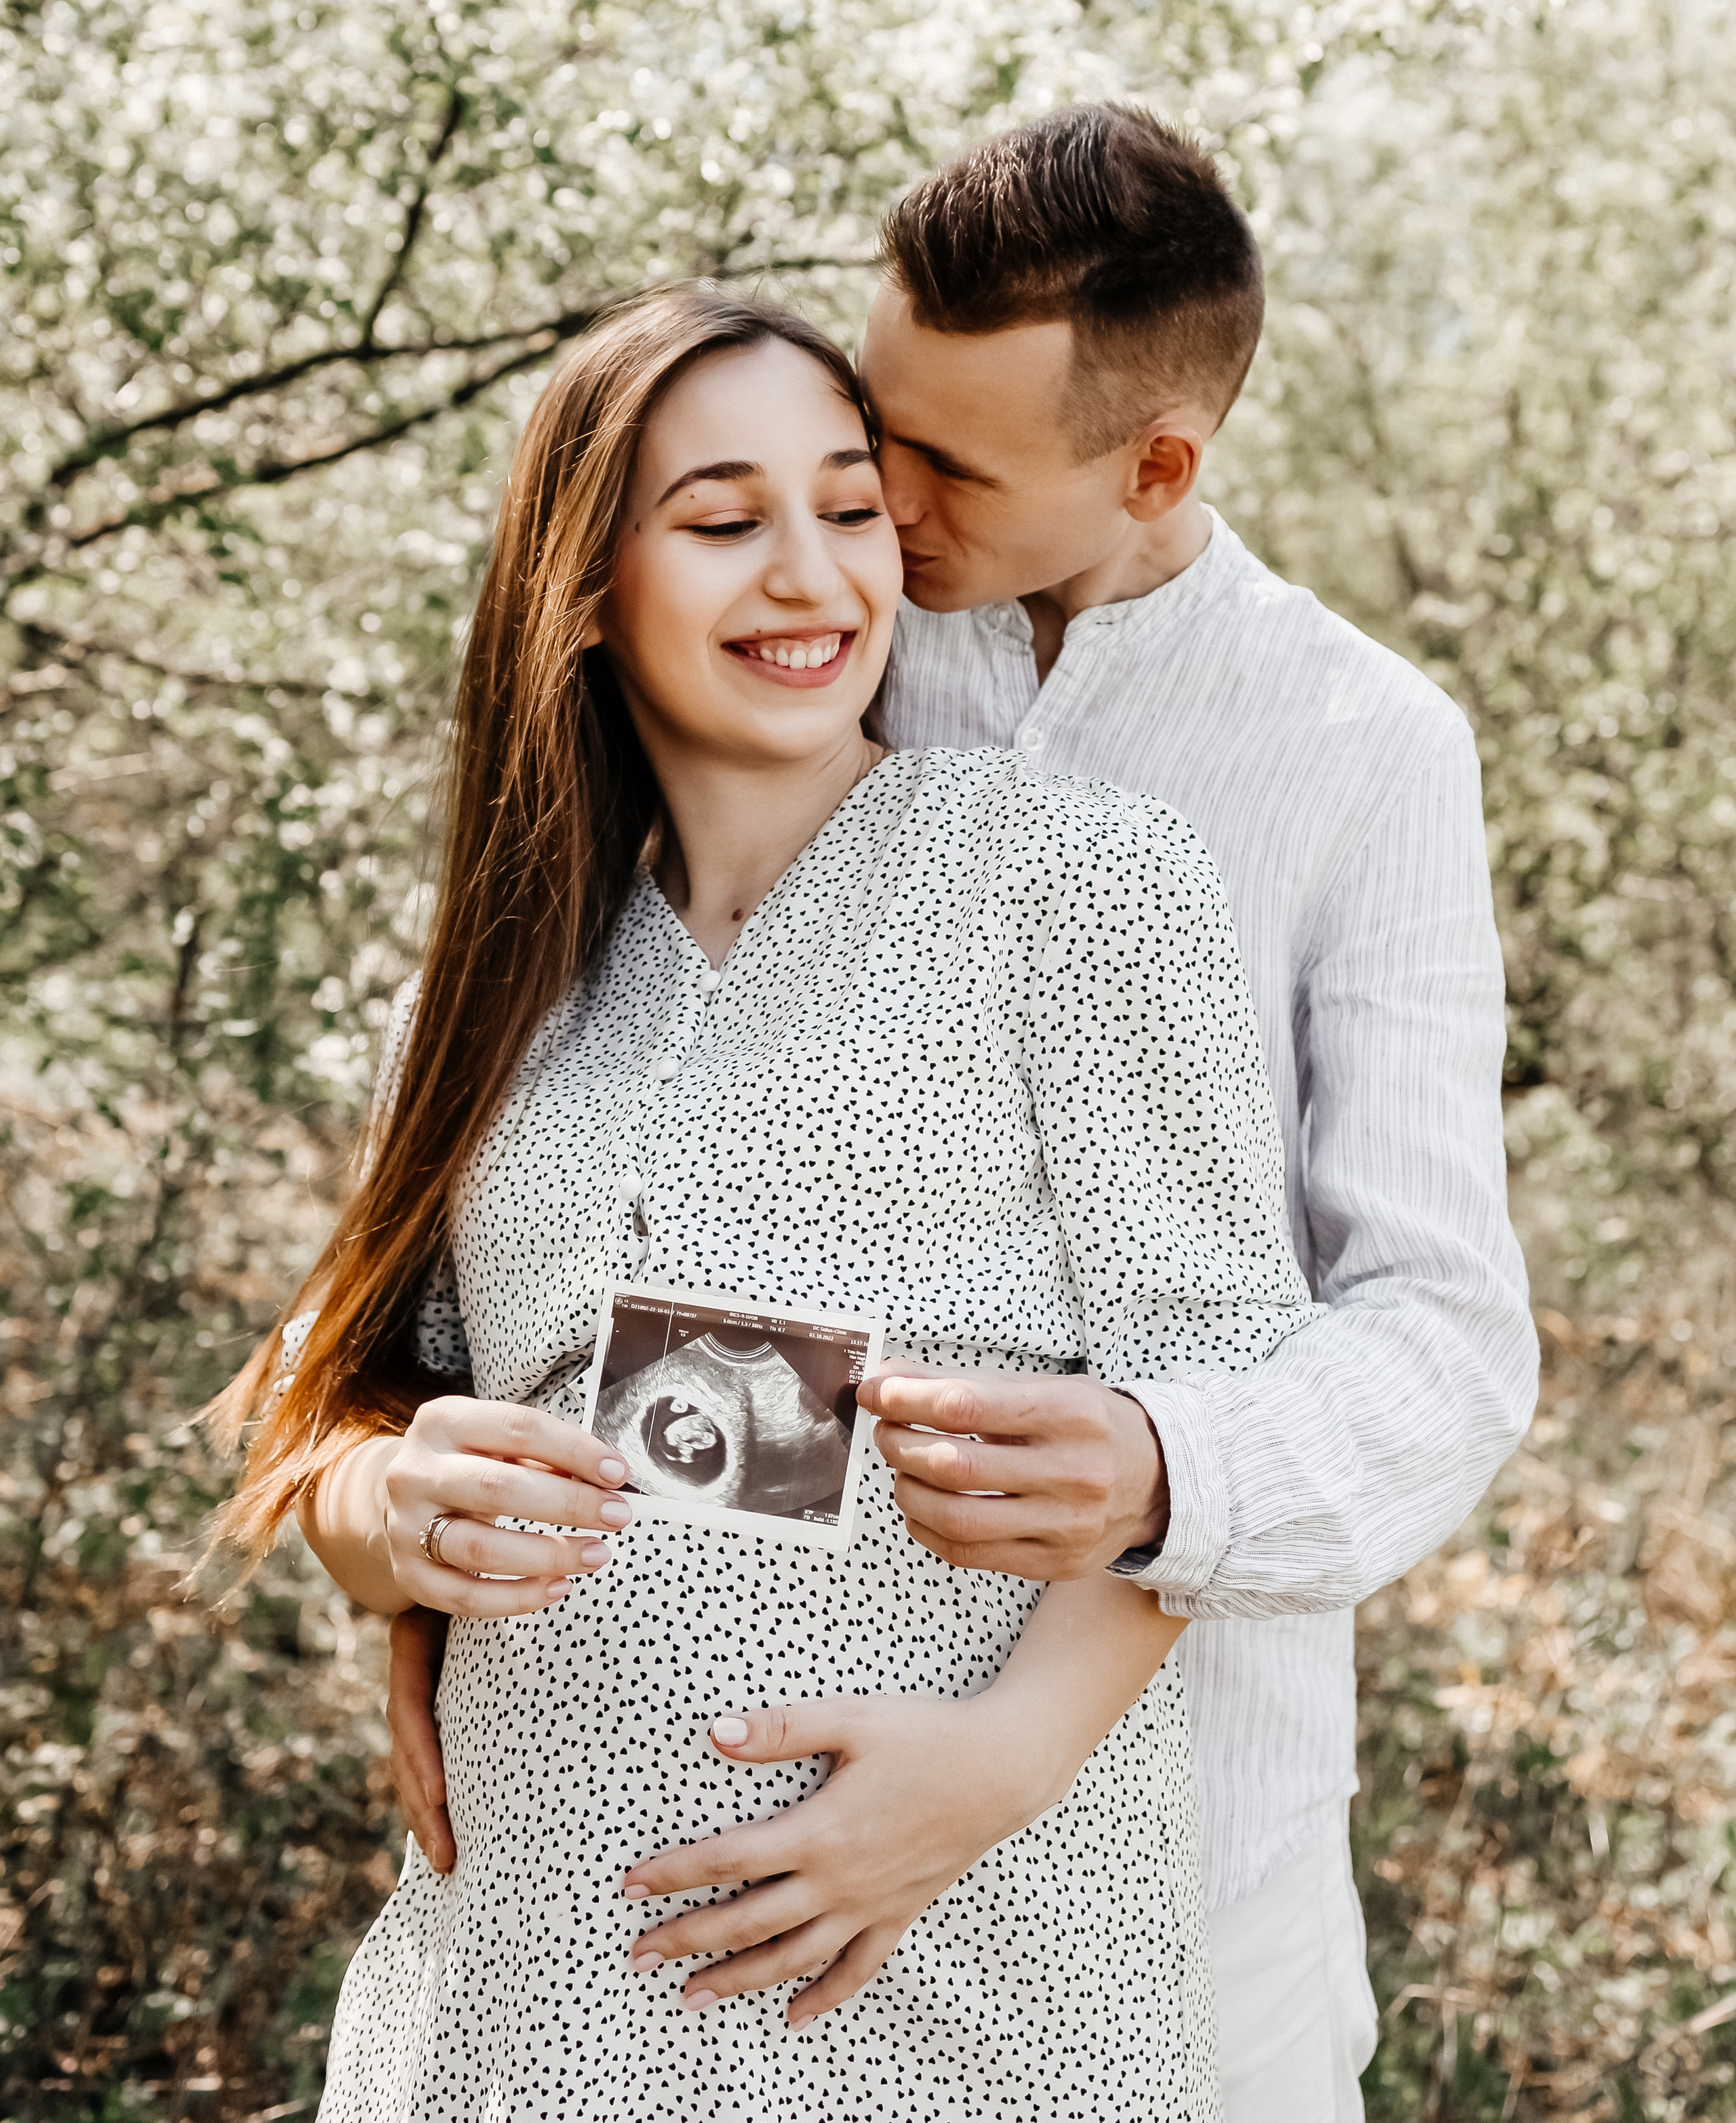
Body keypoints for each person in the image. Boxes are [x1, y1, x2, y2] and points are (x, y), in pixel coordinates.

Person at [382, 106, 1539, 2123]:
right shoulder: (811, 625)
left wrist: (1158, 1476)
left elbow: (1442, 1332)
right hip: (601, 1913)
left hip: (1169, 1830)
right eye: (861, 429)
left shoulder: (1360, 751)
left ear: (1156, 468)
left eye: (924, 469)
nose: (874, 515)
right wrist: (408, 1534)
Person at [212, 285, 1314, 2121]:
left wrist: (990, 1768)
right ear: (589, 585)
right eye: (725, 520)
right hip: (539, 1969)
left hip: (949, 1957)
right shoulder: (489, 987)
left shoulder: (1071, 882)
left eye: (852, 507)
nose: (811, 575)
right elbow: (352, 1409)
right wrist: (381, 1515)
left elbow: (1220, 1410)